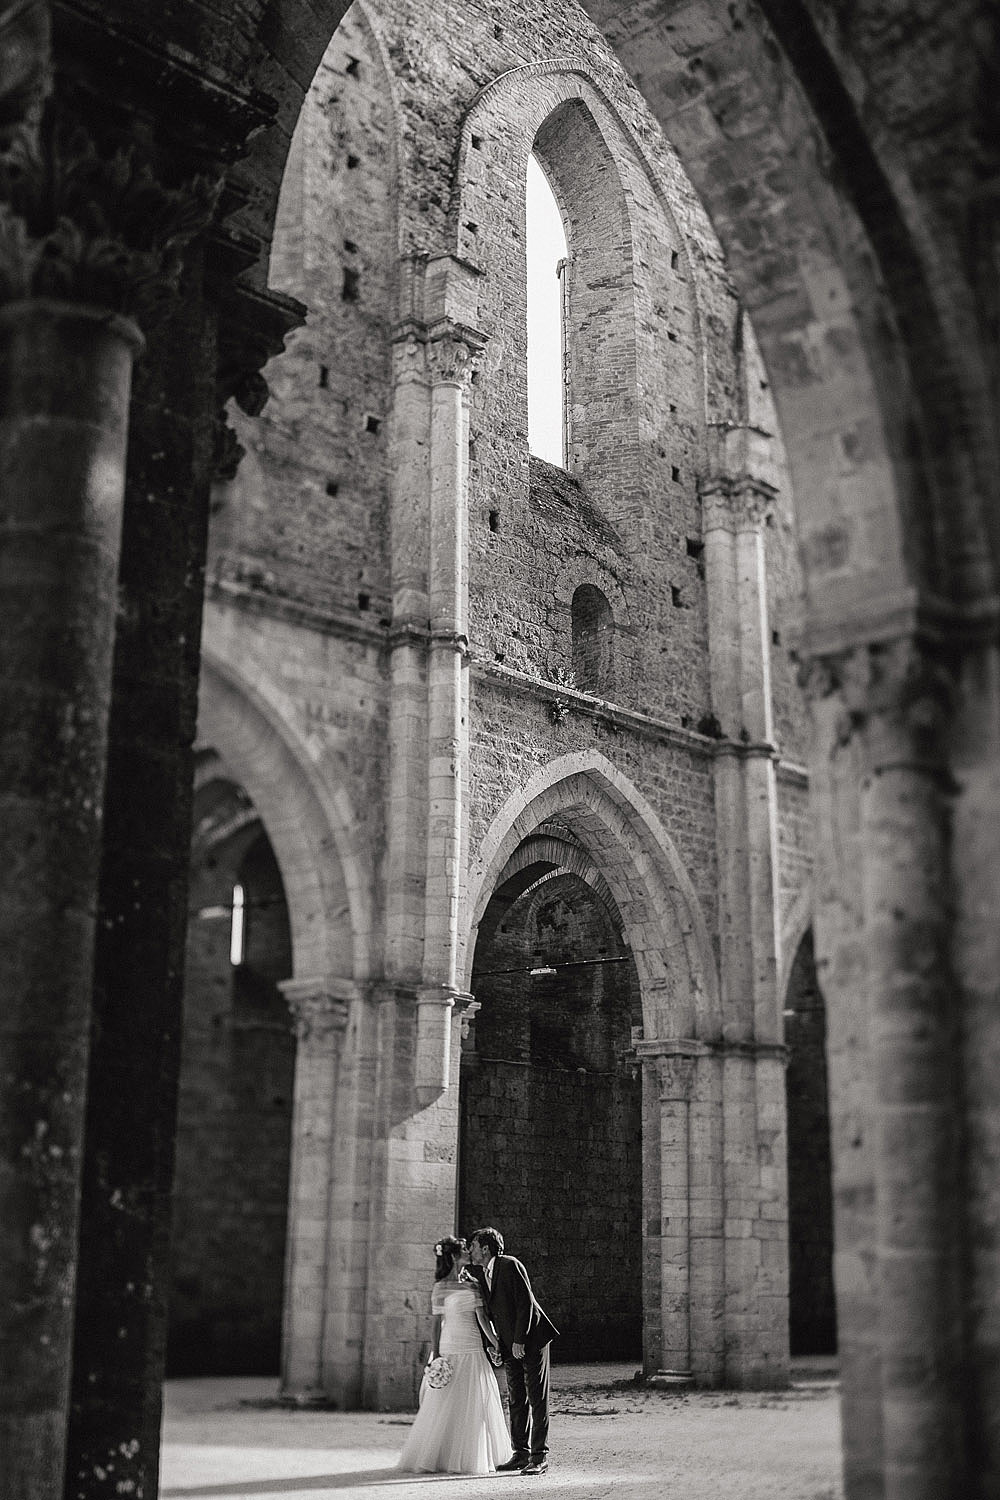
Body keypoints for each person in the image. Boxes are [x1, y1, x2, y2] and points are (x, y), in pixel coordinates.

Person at [397, 1234, 513, 1475]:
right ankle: (439, 1454)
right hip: (450, 1347)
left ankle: (472, 1456)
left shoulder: (473, 1283)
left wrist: (496, 1343)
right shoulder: (440, 1287)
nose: (468, 1253)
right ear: (453, 1257)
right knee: (446, 1403)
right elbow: (436, 1324)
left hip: (472, 1346)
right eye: (463, 1251)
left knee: (476, 1400)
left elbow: (482, 1319)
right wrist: (437, 1355)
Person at [469, 1226, 559, 1476]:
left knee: (537, 1397)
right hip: (510, 1345)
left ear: (485, 1248)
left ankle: (539, 1457)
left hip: (531, 1341)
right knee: (517, 1398)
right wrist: (498, 1344)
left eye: (473, 1246)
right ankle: (520, 1453)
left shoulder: (510, 1265)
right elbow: (495, 1313)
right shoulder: (482, 1274)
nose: (470, 1250)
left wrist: (519, 1340)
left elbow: (525, 1303)